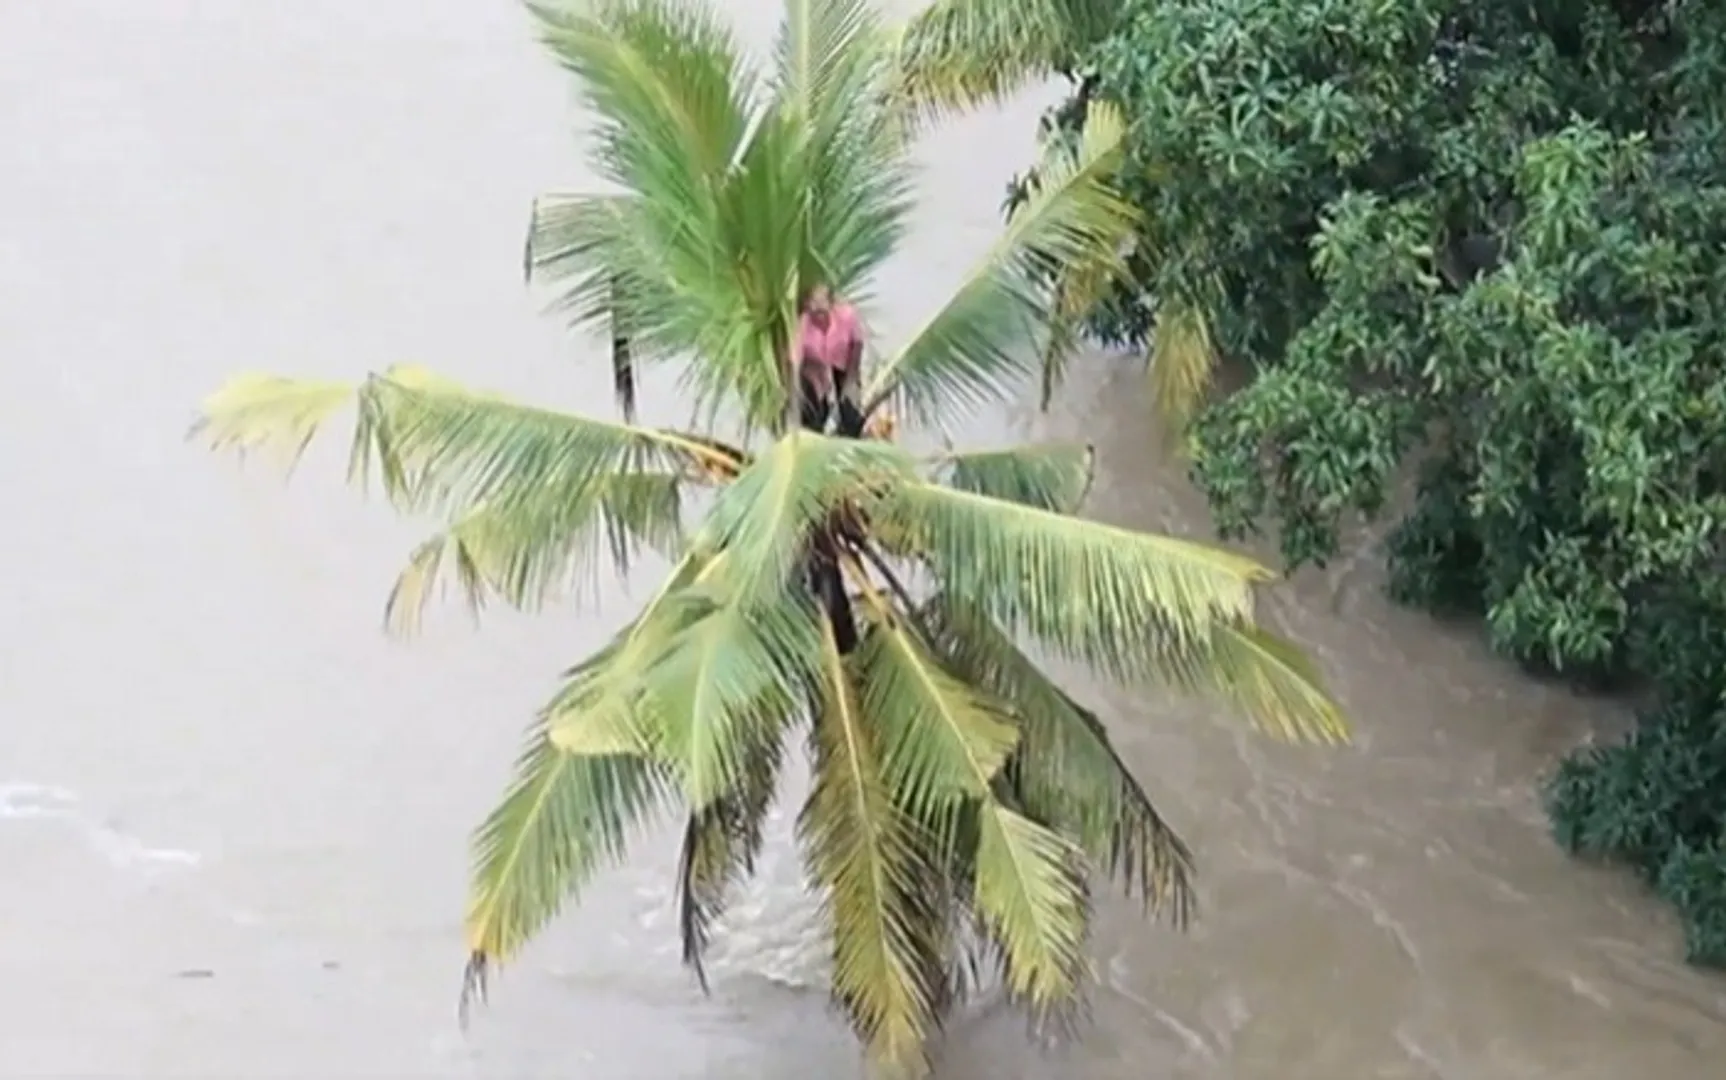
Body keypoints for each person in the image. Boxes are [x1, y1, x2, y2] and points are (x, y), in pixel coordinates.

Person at [793, 283, 866, 437]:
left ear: (831, 304)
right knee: (814, 414)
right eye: (814, 308)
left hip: (844, 363)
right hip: (815, 369)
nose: (819, 314)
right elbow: (796, 359)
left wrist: (851, 379)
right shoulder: (804, 324)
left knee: (850, 411)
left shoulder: (847, 316)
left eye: (823, 309)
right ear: (807, 306)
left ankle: (850, 436)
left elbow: (858, 343)